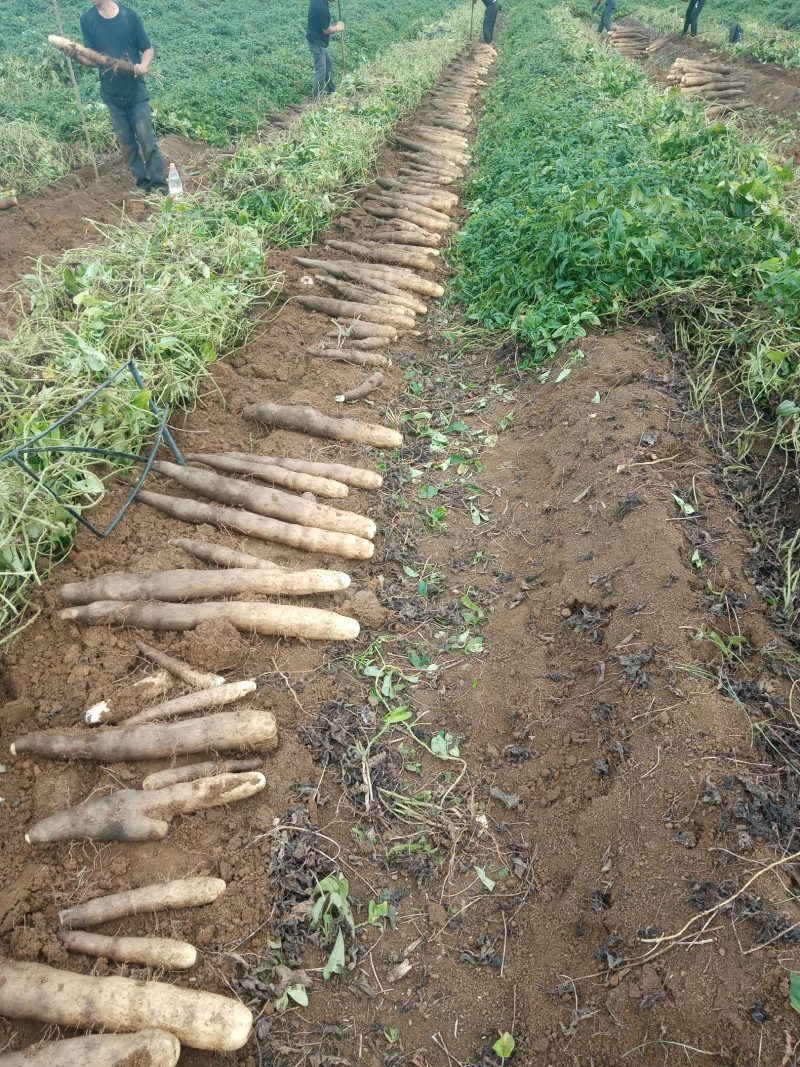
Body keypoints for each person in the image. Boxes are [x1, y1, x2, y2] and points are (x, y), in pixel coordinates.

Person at [79, 0, 167, 193]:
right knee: (127, 144)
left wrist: (143, 65)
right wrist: (78, 55)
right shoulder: (87, 20)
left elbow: (148, 48)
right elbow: (92, 58)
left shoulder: (129, 17)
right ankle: (143, 185)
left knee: (147, 140)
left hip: (136, 91)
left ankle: (160, 185)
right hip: (111, 94)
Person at [306, 0, 344, 98]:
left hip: (316, 38)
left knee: (328, 64)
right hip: (317, 42)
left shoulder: (319, 1)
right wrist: (338, 27)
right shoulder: (322, 8)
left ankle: (331, 90)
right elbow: (326, 30)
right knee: (321, 70)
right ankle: (317, 99)